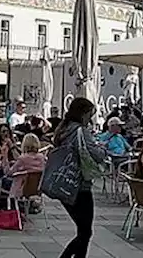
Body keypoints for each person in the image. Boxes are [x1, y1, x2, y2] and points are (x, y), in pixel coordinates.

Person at [51, 97, 108, 258]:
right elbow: (96, 155)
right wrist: (103, 149)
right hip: (80, 186)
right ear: (83, 114)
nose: (90, 118)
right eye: (90, 114)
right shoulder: (80, 131)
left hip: (65, 183)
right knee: (85, 232)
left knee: (83, 231)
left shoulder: (63, 130)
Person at [6, 133, 47, 199]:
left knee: (4, 180)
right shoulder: (42, 157)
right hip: (38, 189)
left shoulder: (22, 159)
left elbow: (10, 173)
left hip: (22, 189)